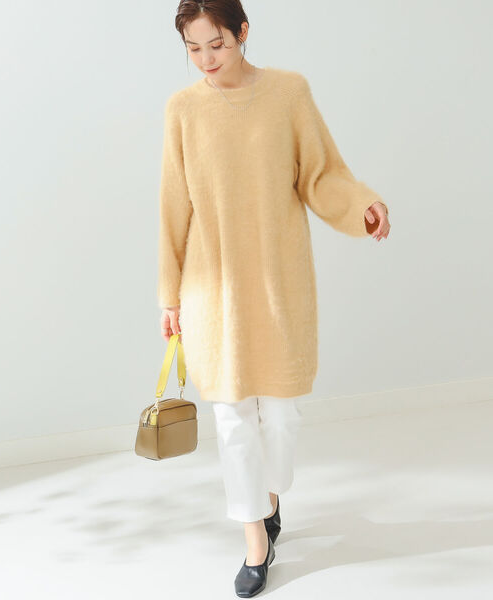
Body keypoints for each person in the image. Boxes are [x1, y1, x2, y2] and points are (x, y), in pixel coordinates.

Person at [158, 1, 391, 597]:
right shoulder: (183, 109)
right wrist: (169, 295)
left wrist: (360, 204)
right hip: (212, 288)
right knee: (233, 419)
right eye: (193, 48)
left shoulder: (288, 93)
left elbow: (320, 173)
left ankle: (269, 496)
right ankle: (255, 540)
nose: (206, 59)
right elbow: (173, 206)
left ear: (242, 32)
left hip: (278, 279)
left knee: (281, 416)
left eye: (217, 44)